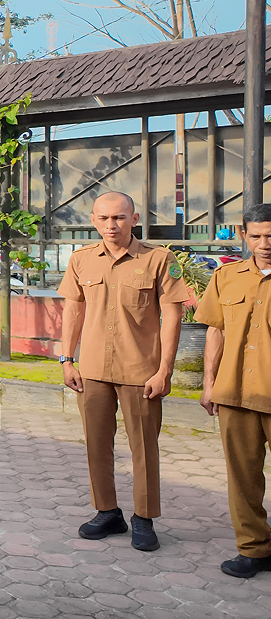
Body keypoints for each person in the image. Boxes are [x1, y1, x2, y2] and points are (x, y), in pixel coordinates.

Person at [58, 192, 191, 551]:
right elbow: (73, 310)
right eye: (103, 218)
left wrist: (164, 370)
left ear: (134, 219)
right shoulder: (81, 260)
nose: (111, 225)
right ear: (93, 220)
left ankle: (144, 518)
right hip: (92, 369)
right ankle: (107, 512)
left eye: (118, 217)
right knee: (96, 444)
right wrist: (66, 359)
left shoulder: (158, 259)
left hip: (141, 371)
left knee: (143, 447)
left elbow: (173, 316)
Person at [197, 202, 271, 578]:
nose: (264, 243)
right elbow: (216, 330)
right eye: (256, 236)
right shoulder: (226, 277)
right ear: (243, 235)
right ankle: (254, 549)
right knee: (242, 477)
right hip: (235, 393)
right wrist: (209, 383)